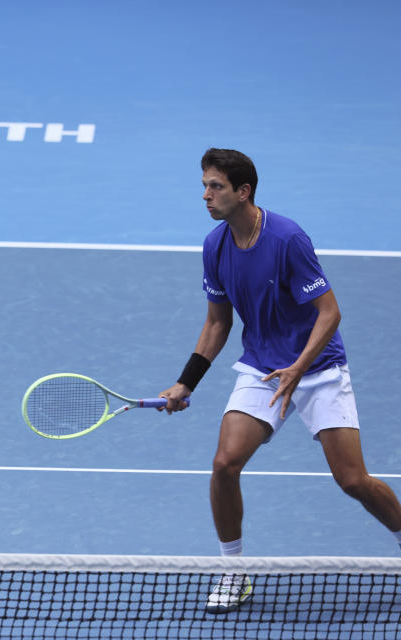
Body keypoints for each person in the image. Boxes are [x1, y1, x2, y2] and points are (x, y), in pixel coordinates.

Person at [158, 148, 401, 614]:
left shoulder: (287, 239)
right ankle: (233, 573)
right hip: (262, 369)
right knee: (225, 464)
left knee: (352, 480)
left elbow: (329, 313)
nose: (205, 196)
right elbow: (216, 324)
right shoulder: (215, 246)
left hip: (319, 369)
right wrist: (185, 382)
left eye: (215, 187)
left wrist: (299, 368)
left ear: (242, 191)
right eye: (205, 186)